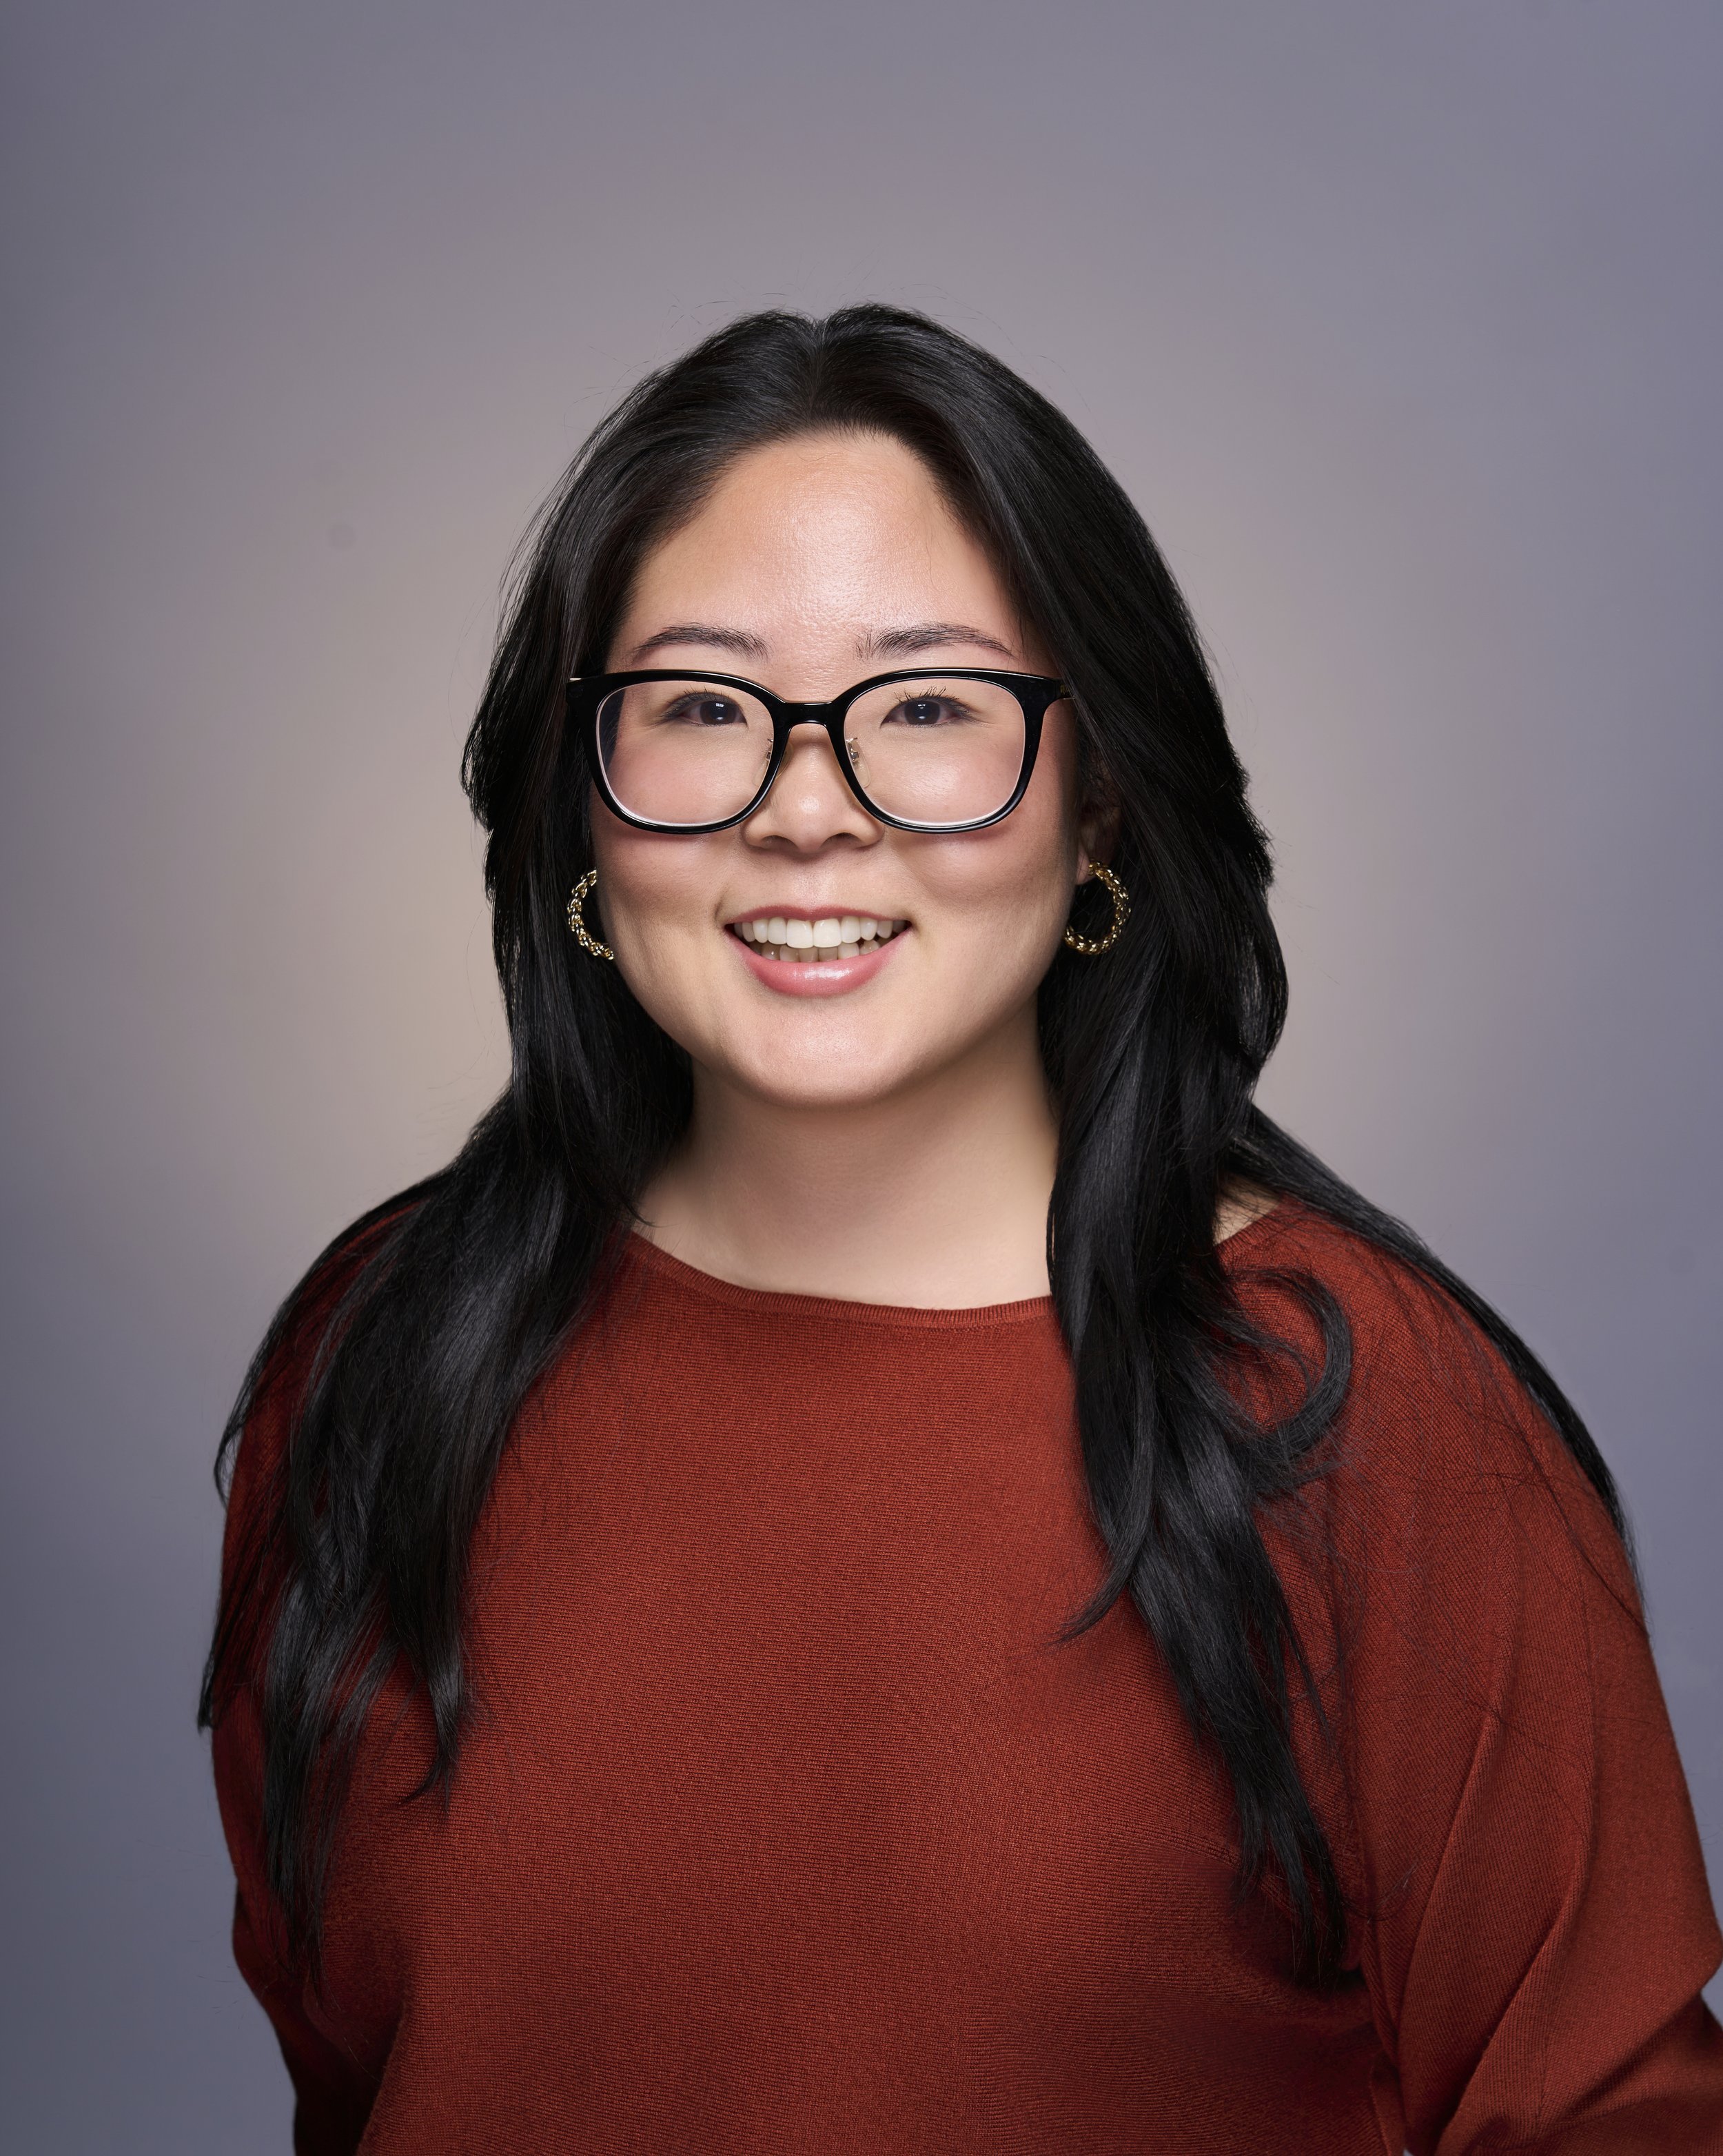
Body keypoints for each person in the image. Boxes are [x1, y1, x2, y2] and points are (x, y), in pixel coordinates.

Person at [203, 305, 1723, 2153]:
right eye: (697, 707)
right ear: (578, 810)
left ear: (1099, 811)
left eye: (928, 706)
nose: (807, 810)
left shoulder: (1357, 1411)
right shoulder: (382, 1357)